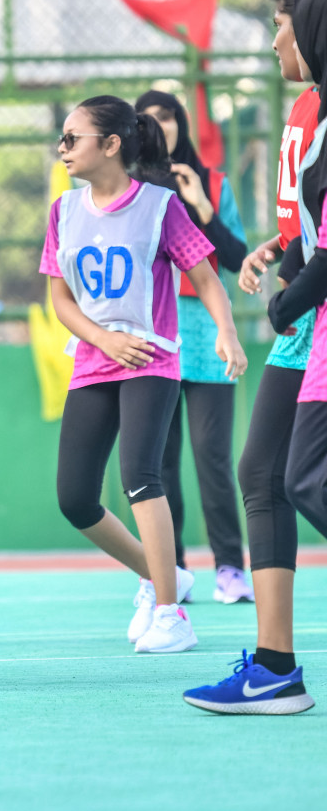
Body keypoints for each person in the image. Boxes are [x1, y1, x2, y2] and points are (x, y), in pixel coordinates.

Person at [43, 95, 245, 655]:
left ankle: (169, 612)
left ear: (110, 144)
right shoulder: (64, 211)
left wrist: (227, 331)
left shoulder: (159, 206)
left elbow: (205, 278)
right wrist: (103, 338)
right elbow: (59, 299)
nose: (62, 149)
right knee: (74, 498)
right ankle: (162, 577)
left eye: (71, 138)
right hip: (94, 360)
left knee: (140, 476)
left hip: (151, 359)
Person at [185, 0, 327, 714]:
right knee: (264, 473)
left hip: (311, 313)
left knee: (296, 477)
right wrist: (280, 246)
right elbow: (315, 217)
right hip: (306, 314)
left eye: (282, 25)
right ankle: (275, 665)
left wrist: (291, 295)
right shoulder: (308, 106)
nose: (274, 41)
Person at [134, 89, 251, 604]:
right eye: (150, 118)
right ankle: (171, 570)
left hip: (206, 337)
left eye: (168, 116)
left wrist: (201, 204)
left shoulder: (214, 182)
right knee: (157, 463)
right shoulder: (130, 188)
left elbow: (236, 258)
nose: (161, 125)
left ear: (180, 123)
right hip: (152, 338)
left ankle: (230, 568)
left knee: (213, 457)